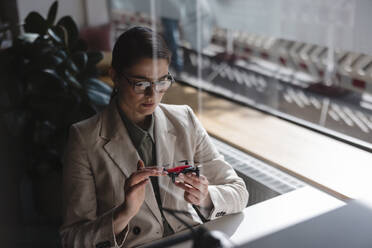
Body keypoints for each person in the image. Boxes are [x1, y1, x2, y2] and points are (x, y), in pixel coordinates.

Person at [60, 26, 248, 248]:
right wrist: (124, 213)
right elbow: (71, 240)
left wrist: (206, 197)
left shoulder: (184, 119)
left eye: (162, 81)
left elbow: (239, 191)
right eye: (141, 84)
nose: (153, 94)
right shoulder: (85, 138)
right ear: (115, 77)